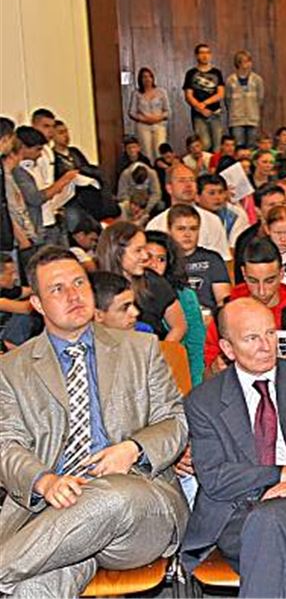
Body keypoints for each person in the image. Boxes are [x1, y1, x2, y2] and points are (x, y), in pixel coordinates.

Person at [0, 246, 189, 597]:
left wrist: (133, 449)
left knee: (110, 497)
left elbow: (175, 421)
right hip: (53, 518)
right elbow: (5, 444)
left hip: (138, 506)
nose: (74, 295)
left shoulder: (142, 349)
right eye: (58, 289)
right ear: (37, 305)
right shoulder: (11, 369)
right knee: (34, 587)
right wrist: (44, 481)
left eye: (79, 283)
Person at [180, 299, 286, 597]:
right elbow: (215, 478)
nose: (266, 346)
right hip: (234, 510)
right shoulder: (203, 401)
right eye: (251, 338)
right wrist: (281, 475)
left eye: (271, 334)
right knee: (283, 549)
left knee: (271, 521)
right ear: (228, 349)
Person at [204, 238, 286, 370]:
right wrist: (215, 369)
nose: (261, 291)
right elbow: (207, 373)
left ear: (281, 273)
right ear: (243, 273)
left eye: (269, 281)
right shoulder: (225, 313)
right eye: (253, 281)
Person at [96, 221, 188, 343]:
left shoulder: (153, 282)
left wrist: (161, 354)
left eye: (145, 249)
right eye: (138, 250)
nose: (145, 256)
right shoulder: (95, 287)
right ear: (116, 253)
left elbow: (179, 326)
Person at [143, 230, 208, 386]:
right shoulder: (127, 292)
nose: (154, 265)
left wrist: (194, 387)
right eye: (148, 257)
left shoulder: (185, 296)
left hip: (174, 372)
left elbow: (195, 347)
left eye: (161, 259)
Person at [147, 163, 232, 261]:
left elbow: (224, 259)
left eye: (192, 180)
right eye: (181, 181)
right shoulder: (156, 224)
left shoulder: (212, 220)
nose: (188, 185)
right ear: (169, 188)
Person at [182, 43, 226, 151]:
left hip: (215, 113)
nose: (205, 56)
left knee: (217, 146)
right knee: (204, 144)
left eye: (207, 53)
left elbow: (220, 94)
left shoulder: (216, 72)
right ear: (197, 56)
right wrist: (200, 108)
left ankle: (215, 167)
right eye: (202, 53)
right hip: (199, 115)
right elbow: (188, 95)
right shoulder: (191, 73)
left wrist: (204, 103)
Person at [127, 67, 170, 161]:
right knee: (146, 152)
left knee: (159, 151)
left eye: (149, 76)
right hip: (143, 126)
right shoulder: (136, 93)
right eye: (144, 77)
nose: (147, 79)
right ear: (140, 79)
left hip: (159, 125)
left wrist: (158, 118)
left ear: (153, 78)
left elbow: (167, 111)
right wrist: (144, 119)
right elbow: (131, 112)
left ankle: (160, 173)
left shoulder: (161, 92)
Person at [224, 50, 265, 146]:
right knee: (238, 145)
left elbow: (260, 98)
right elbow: (227, 100)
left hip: (253, 118)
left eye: (249, 61)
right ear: (238, 63)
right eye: (245, 61)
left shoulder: (257, 79)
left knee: (252, 145)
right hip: (236, 120)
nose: (249, 64)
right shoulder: (230, 80)